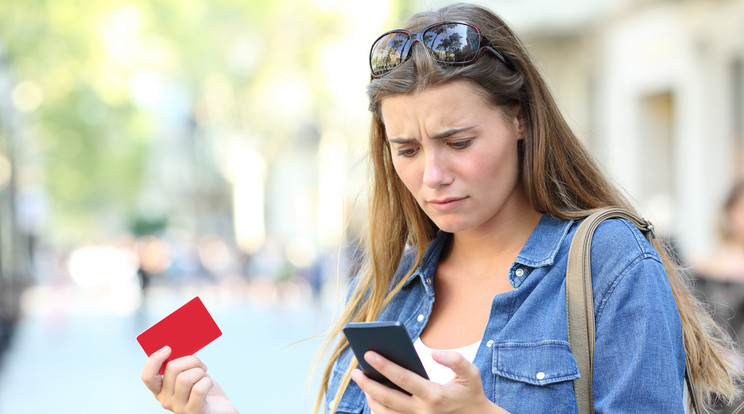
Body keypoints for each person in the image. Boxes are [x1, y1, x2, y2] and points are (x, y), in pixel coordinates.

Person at [140, 3, 741, 413]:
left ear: (520, 119)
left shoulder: (607, 261)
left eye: (458, 142)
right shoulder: (392, 284)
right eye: (407, 149)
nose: (432, 175)